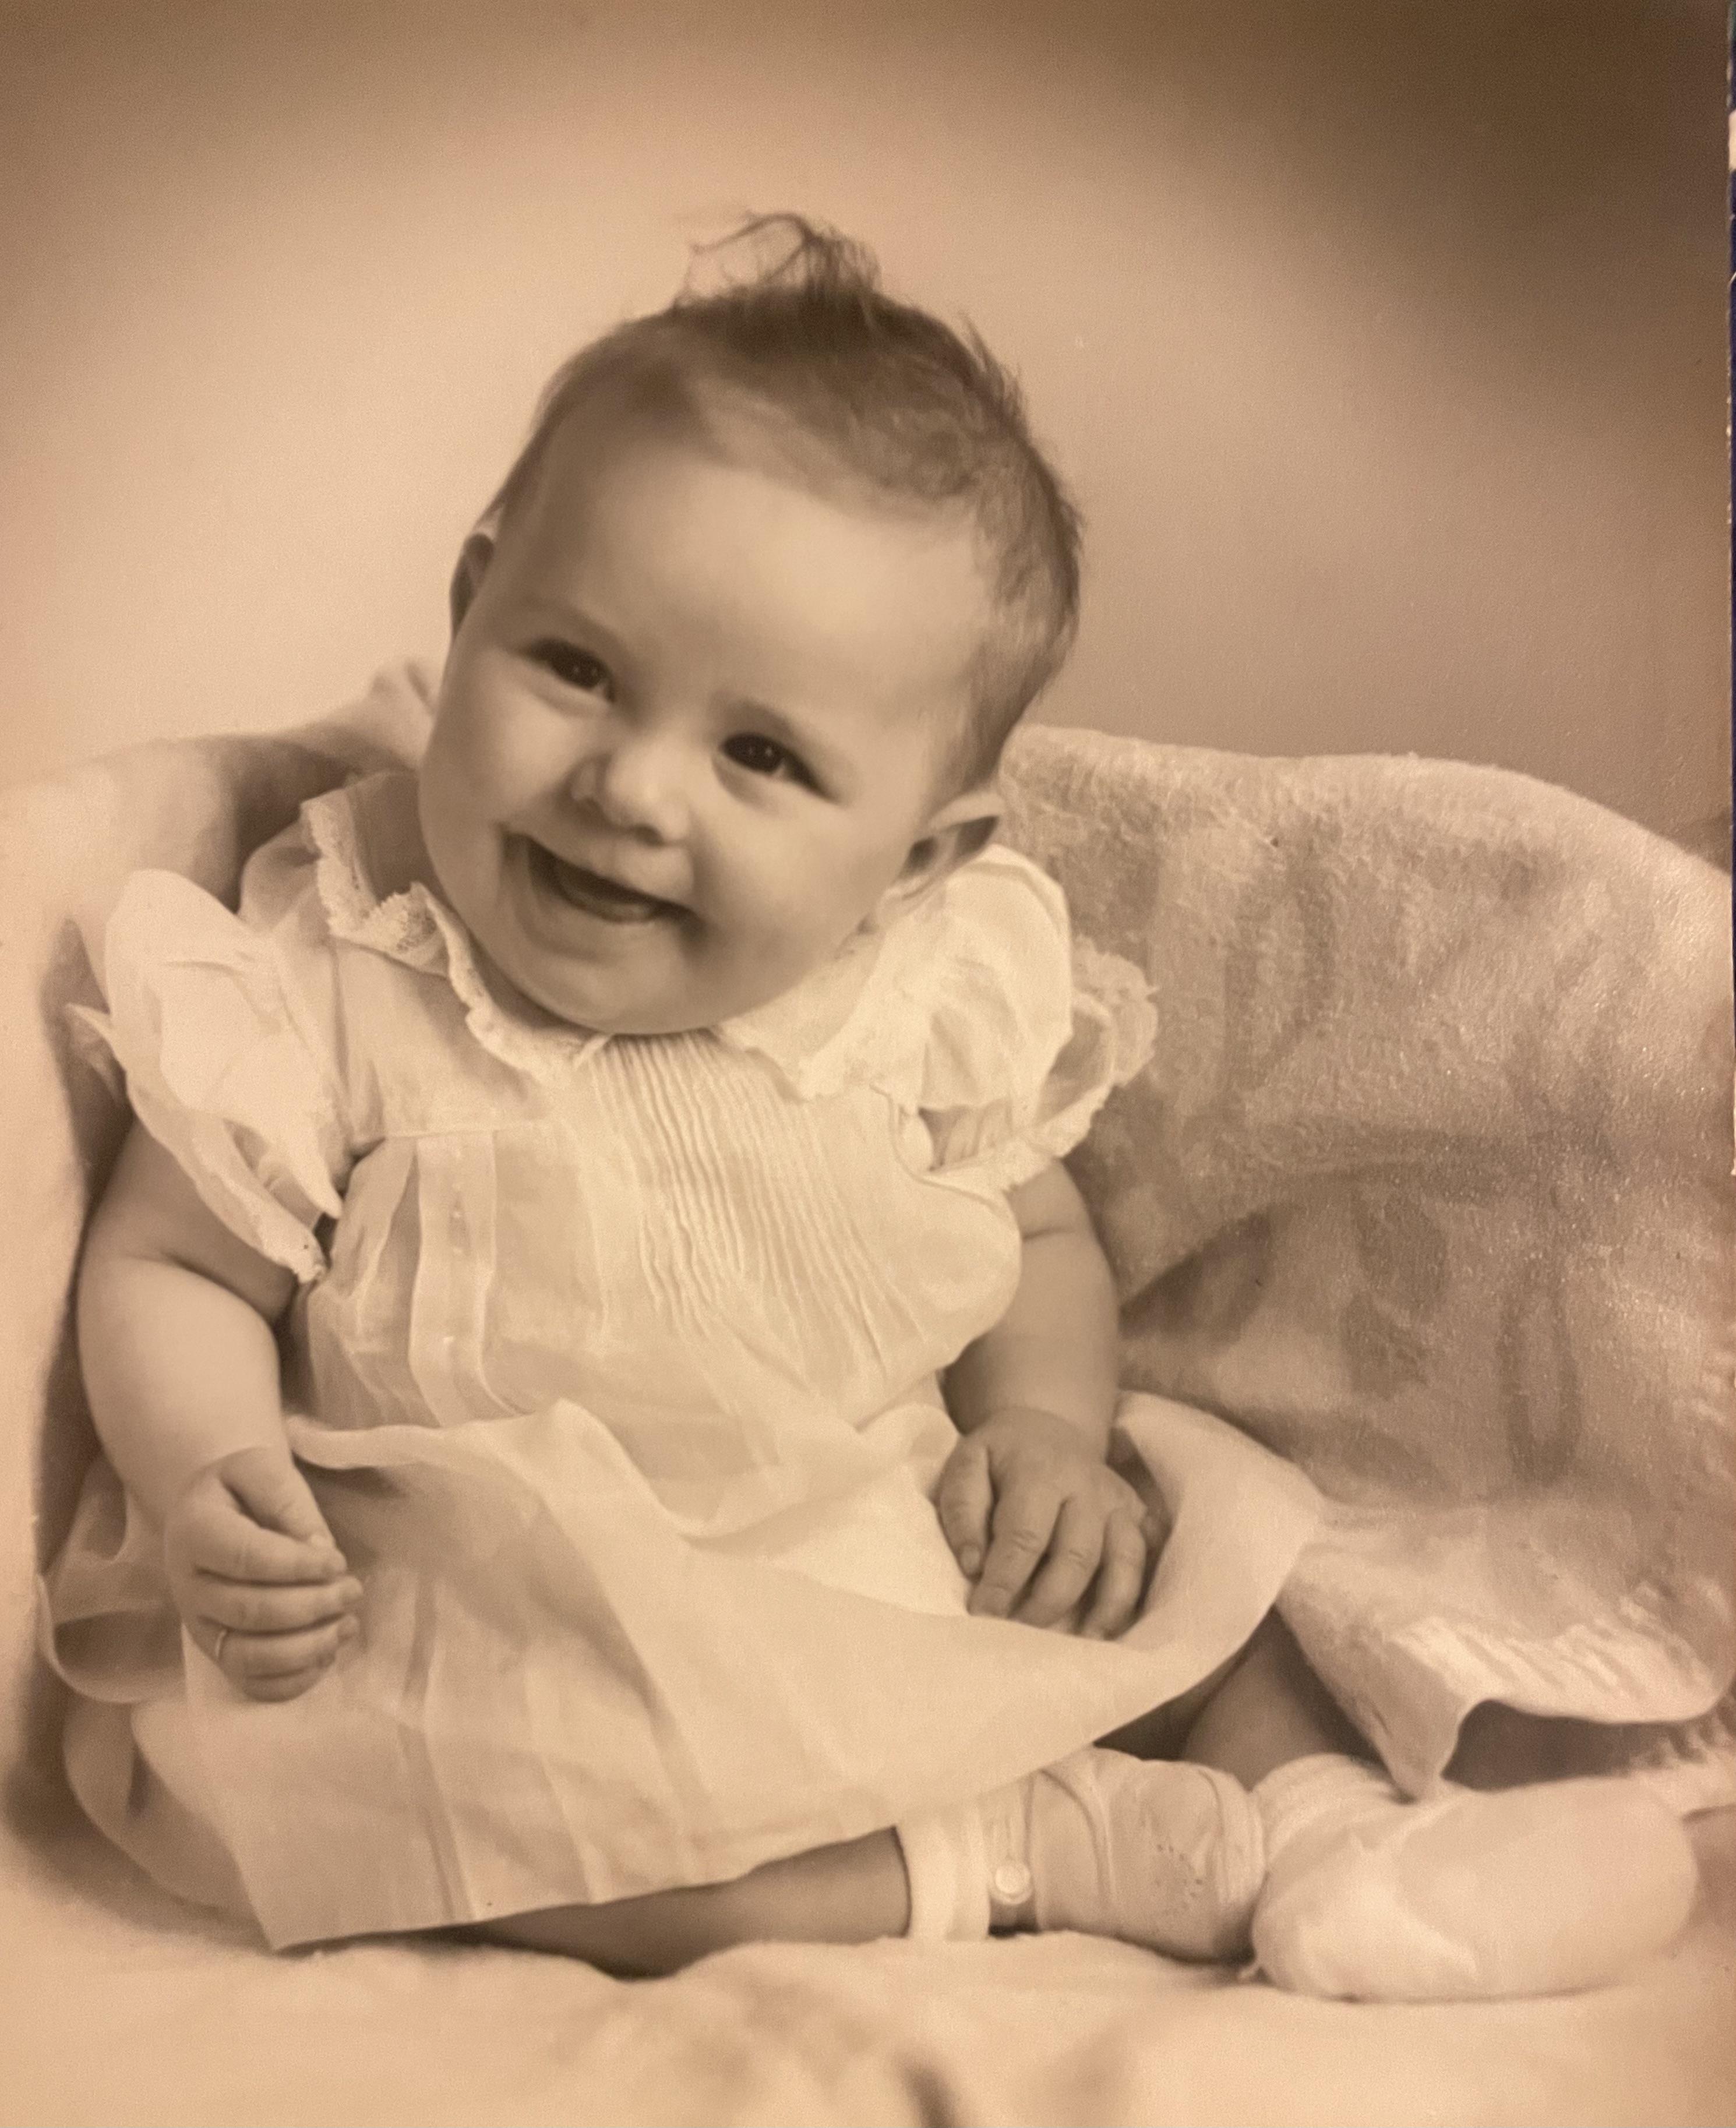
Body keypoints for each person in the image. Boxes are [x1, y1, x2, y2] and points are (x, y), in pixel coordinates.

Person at [43, 217, 1696, 1996]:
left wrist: (1044, 1434)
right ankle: (1051, 1851)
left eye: (759, 755)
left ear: (915, 856)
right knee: (459, 1816)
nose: (629, 786)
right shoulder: (343, 959)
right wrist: (207, 1470)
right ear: (471, 604)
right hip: (519, 1615)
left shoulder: (920, 986)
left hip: (883, 1538)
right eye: (575, 668)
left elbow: (1034, 1237)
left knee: (1213, 1549)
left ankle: (1334, 1827)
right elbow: (177, 1265)